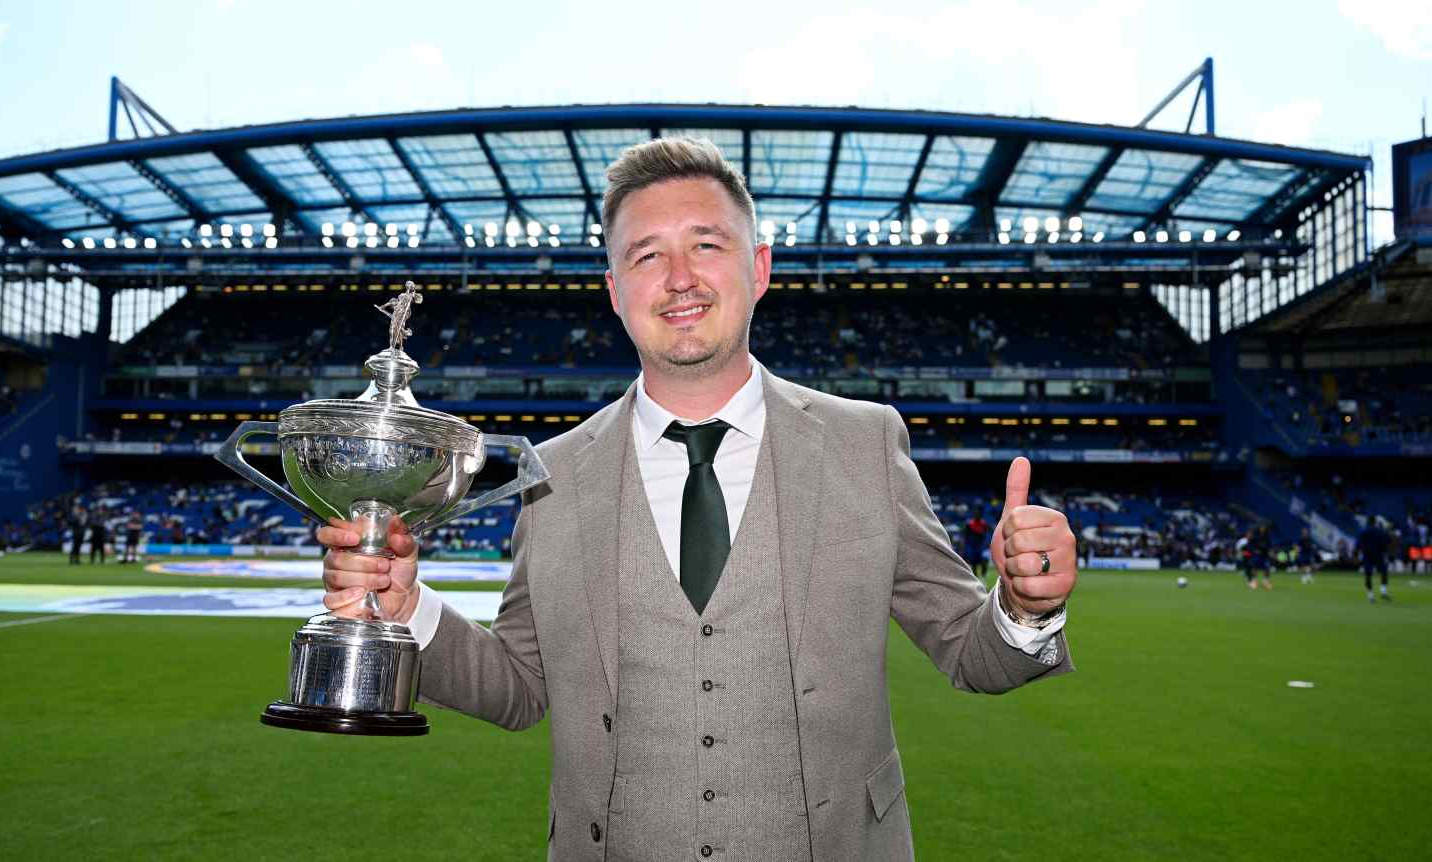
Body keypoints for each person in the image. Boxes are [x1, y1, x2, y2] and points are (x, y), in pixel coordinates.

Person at [317, 138, 1077, 861]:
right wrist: (405, 605)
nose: (679, 277)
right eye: (647, 255)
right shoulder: (551, 474)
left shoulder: (864, 445)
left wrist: (1024, 604)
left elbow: (971, 653)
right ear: (615, 291)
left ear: (761, 268)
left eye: (706, 246)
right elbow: (519, 688)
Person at [1358, 518, 1391, 602]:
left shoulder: (1364, 531)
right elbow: (1385, 541)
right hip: (1378, 555)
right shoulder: (1379, 531)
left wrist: (1360, 551)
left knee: (1368, 575)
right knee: (1384, 572)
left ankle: (1370, 596)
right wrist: (1384, 551)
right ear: (1374, 523)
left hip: (1367, 555)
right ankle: (1383, 591)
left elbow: (1359, 543)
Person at [962, 507, 990, 581]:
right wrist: (966, 545)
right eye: (976, 514)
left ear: (980, 515)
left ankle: (983, 577)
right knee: (974, 563)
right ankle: (976, 579)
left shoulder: (984, 524)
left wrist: (986, 544)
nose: (977, 515)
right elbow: (966, 535)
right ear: (974, 515)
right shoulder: (969, 524)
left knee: (984, 562)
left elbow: (986, 534)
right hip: (972, 547)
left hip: (981, 547)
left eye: (978, 514)